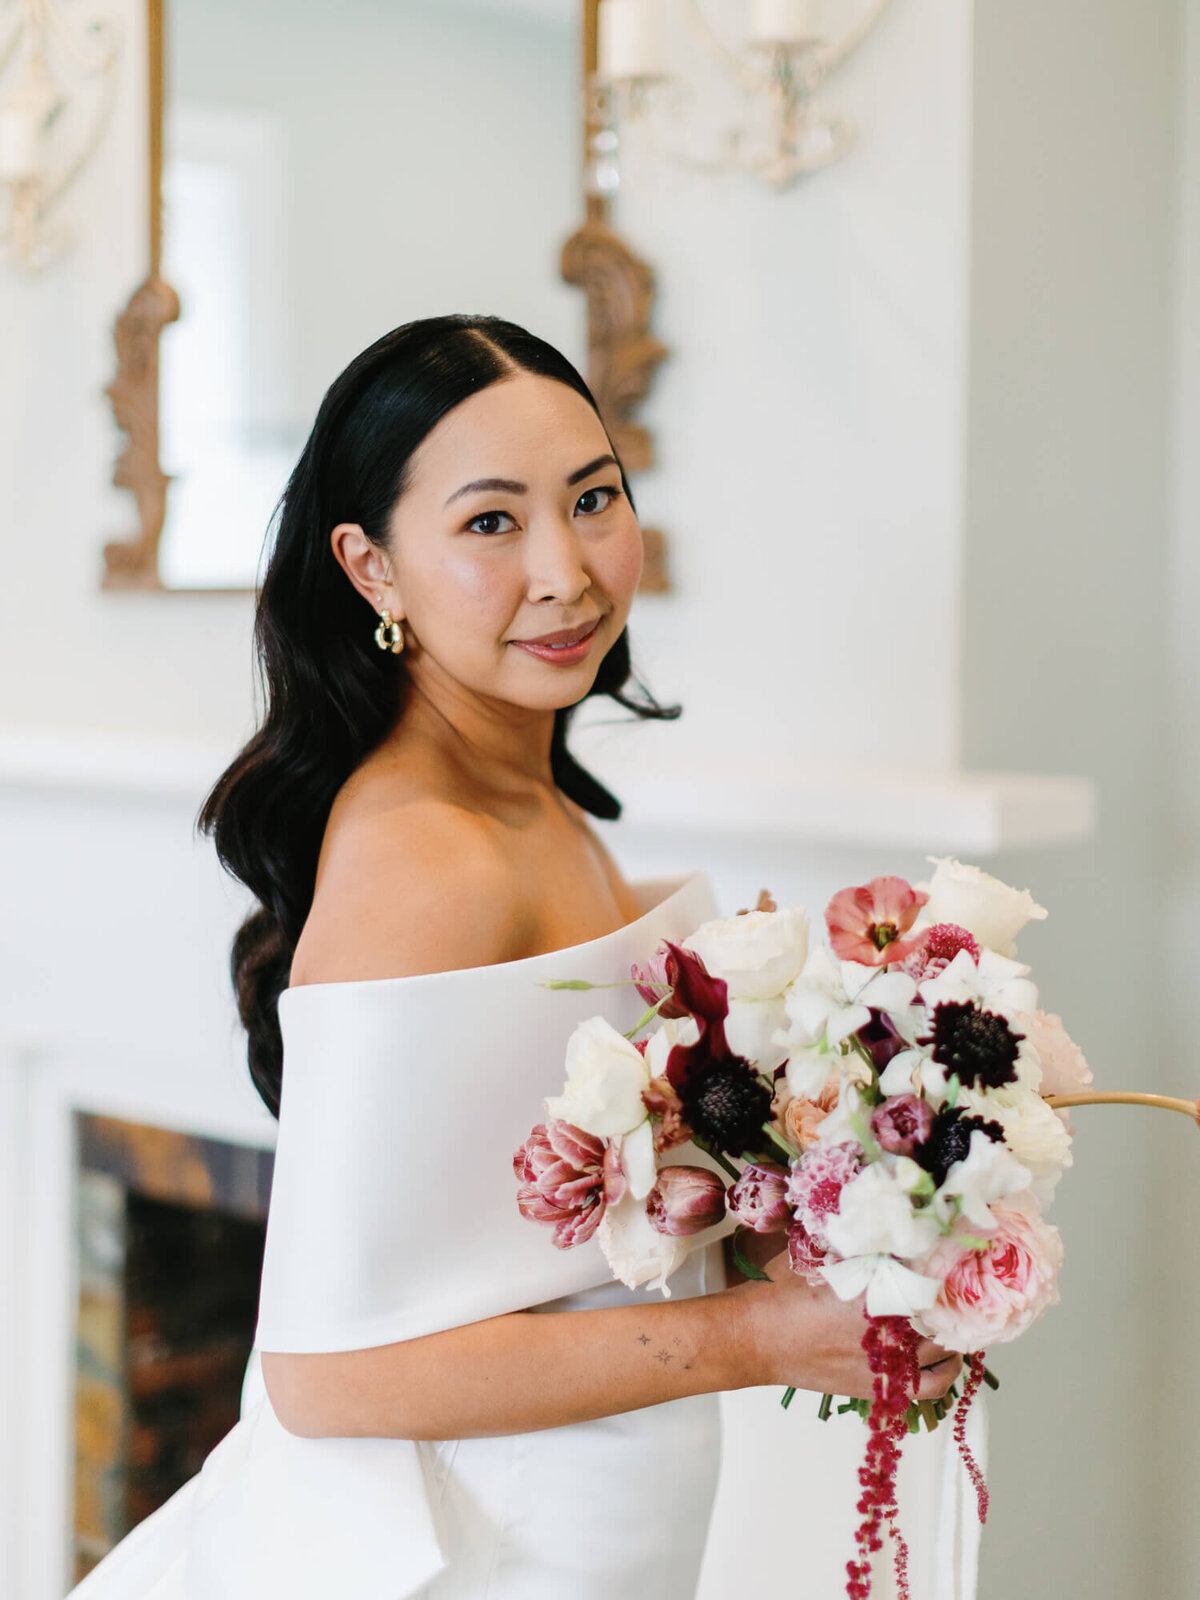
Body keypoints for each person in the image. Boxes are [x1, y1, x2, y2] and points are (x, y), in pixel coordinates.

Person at [67, 315, 964, 1599]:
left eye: (593, 498)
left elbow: (554, 1249)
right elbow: (323, 1375)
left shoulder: (539, 808)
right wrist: (756, 1335)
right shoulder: (427, 859)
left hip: (579, 1528)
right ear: (371, 567)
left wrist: (855, 1196)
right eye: (491, 523)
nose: (568, 570)